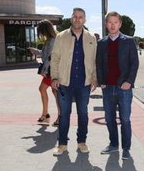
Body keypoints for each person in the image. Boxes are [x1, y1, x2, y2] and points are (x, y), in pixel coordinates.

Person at [50, 8, 97, 156]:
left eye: (80, 17)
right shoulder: (61, 36)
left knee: (83, 114)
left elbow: (94, 61)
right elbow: (55, 58)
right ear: (71, 18)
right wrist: (54, 77)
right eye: (75, 17)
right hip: (64, 83)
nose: (77, 19)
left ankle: (81, 142)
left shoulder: (91, 38)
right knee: (64, 114)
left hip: (84, 84)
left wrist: (94, 78)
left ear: (85, 19)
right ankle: (62, 144)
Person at [96, 11, 139, 160]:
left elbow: (134, 64)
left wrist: (129, 82)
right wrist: (101, 81)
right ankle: (114, 145)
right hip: (107, 88)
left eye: (115, 22)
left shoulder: (129, 41)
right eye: (109, 22)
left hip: (124, 88)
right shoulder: (101, 43)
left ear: (120, 24)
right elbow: (99, 64)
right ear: (106, 24)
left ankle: (126, 148)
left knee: (125, 119)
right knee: (109, 118)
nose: (112, 25)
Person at [28, 19, 60, 125]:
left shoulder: (53, 40)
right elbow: (45, 53)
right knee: (46, 90)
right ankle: (46, 115)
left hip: (53, 70)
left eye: (41, 31)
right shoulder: (51, 39)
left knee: (55, 93)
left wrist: (44, 70)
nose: (41, 34)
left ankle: (58, 116)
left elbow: (51, 57)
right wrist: (36, 51)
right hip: (50, 70)